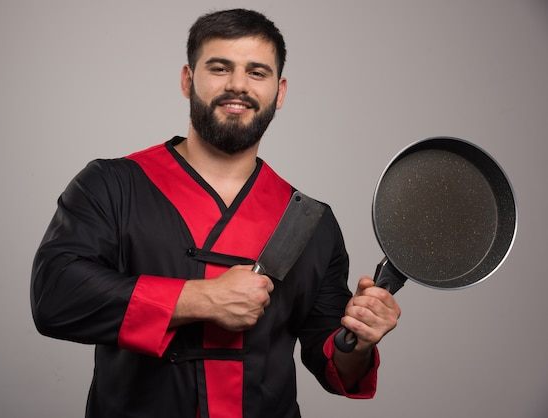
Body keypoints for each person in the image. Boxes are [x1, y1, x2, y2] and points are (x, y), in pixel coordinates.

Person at [31, 8, 401, 418]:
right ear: (188, 81)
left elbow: (334, 365)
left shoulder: (311, 222)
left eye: (257, 73)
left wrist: (361, 341)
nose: (238, 85)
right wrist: (197, 299)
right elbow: (55, 296)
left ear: (279, 93)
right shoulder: (113, 184)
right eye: (220, 68)